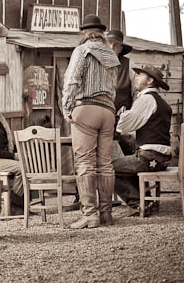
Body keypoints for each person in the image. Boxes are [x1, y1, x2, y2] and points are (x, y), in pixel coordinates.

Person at [62, 15, 120, 228]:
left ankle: (90, 214)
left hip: (86, 107)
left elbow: (72, 80)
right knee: (105, 163)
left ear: (84, 33)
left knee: (85, 162)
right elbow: (114, 87)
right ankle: (106, 214)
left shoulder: (82, 50)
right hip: (108, 110)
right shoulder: (112, 56)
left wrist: (66, 107)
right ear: (102, 33)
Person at [113, 65, 172, 216]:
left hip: (150, 159)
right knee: (126, 162)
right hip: (162, 159)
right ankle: (146, 202)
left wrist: (120, 118)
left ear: (150, 80)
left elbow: (125, 125)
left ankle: (138, 204)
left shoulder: (146, 99)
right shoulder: (161, 102)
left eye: (140, 75)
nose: (137, 78)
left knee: (106, 168)